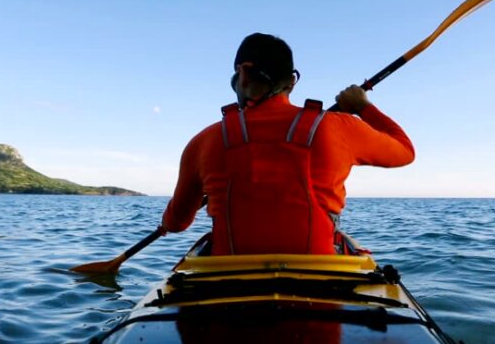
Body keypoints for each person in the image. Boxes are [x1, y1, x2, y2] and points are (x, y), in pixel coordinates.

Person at [161, 32, 414, 255]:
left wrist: (181, 206)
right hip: (319, 281)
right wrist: (363, 107)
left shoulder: (204, 142)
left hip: (230, 282)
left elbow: (176, 224)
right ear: (291, 81)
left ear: (243, 72)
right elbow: (405, 151)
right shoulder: (337, 127)